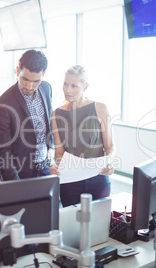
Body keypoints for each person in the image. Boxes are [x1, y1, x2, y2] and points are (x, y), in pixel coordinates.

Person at [49, 65, 115, 207]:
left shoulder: (100, 108)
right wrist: (57, 165)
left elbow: (109, 146)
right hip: (70, 182)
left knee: (101, 224)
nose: (68, 90)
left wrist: (109, 161)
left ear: (85, 87)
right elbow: (59, 152)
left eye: (74, 86)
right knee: (72, 225)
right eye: (65, 84)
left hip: (98, 177)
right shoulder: (56, 114)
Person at [0, 49, 53, 180]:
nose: (29, 86)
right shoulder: (3, 105)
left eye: (36, 81)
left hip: (46, 168)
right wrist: (16, 184)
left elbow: (49, 124)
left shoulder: (46, 88)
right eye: (25, 79)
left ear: (44, 75)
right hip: (22, 175)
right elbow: (3, 153)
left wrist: (52, 152)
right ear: (18, 70)